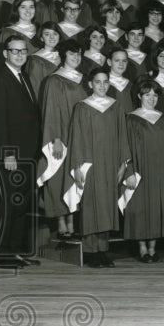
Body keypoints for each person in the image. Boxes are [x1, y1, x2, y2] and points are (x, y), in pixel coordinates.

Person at [68, 66, 134, 268]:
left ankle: (103, 250)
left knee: (106, 206)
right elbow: (76, 138)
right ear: (90, 84)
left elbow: (123, 136)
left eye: (106, 82)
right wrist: (77, 167)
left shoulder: (115, 107)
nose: (103, 86)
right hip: (90, 163)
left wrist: (123, 164)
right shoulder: (82, 107)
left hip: (111, 162)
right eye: (98, 82)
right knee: (91, 206)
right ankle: (90, 251)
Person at [0, 35, 43, 268]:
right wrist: (7, 153)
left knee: (22, 204)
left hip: (28, 153)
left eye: (23, 51)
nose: (20, 55)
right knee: (9, 204)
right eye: (15, 51)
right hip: (12, 155)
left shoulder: (23, 76)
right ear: (5, 53)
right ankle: (1, 255)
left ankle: (16, 252)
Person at [37, 39, 87, 241]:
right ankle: (60, 223)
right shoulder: (54, 80)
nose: (76, 58)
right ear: (63, 56)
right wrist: (55, 139)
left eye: (78, 54)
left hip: (79, 135)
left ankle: (72, 223)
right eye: (72, 54)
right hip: (62, 136)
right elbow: (50, 111)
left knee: (75, 177)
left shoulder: (82, 79)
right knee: (59, 177)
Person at [123, 80, 164, 263]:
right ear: (139, 96)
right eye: (147, 95)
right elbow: (125, 148)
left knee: (156, 208)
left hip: (160, 170)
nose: (152, 99)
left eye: (155, 95)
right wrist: (129, 171)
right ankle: (142, 248)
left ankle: (153, 248)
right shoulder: (131, 118)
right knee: (141, 207)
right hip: (140, 170)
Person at [27, 22, 62, 93]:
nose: (52, 37)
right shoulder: (35, 60)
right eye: (47, 34)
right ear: (41, 38)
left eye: (55, 34)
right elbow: (34, 87)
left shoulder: (65, 57)